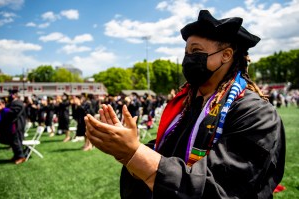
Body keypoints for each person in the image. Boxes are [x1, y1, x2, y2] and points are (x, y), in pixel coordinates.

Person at [84, 10, 285, 198]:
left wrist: (134, 153)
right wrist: (127, 152)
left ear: (226, 55)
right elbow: (167, 155)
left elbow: (222, 187)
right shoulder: (186, 106)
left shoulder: (255, 113)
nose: (188, 59)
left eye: (196, 51)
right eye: (187, 52)